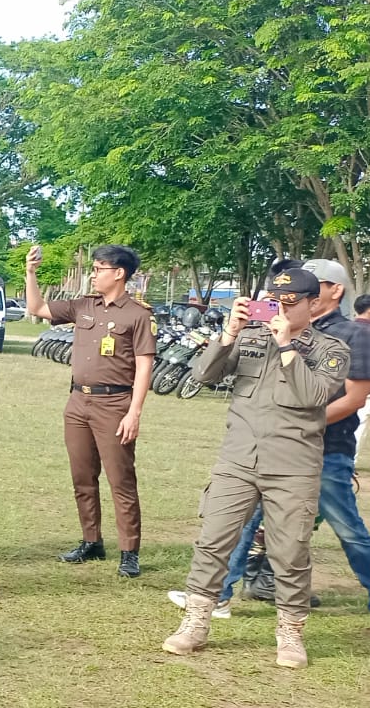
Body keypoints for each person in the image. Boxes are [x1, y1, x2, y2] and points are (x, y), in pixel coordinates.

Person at [162, 268, 348, 668]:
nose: (280, 307)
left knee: (290, 552)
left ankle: (290, 632)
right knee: (213, 540)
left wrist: (286, 347)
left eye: (290, 301)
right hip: (239, 460)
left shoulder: (331, 349)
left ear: (313, 304)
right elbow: (202, 375)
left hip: (293, 466)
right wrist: (228, 334)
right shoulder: (249, 337)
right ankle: (196, 621)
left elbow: (313, 394)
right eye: (274, 299)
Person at [24, 244, 154, 577]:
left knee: (120, 480)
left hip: (114, 404)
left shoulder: (138, 315)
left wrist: (134, 412)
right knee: (82, 477)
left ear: (119, 273)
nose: (93, 274)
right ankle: (91, 540)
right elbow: (36, 307)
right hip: (78, 402)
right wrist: (31, 272)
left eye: (99, 269)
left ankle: (129, 551)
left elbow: (143, 366)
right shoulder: (84, 306)